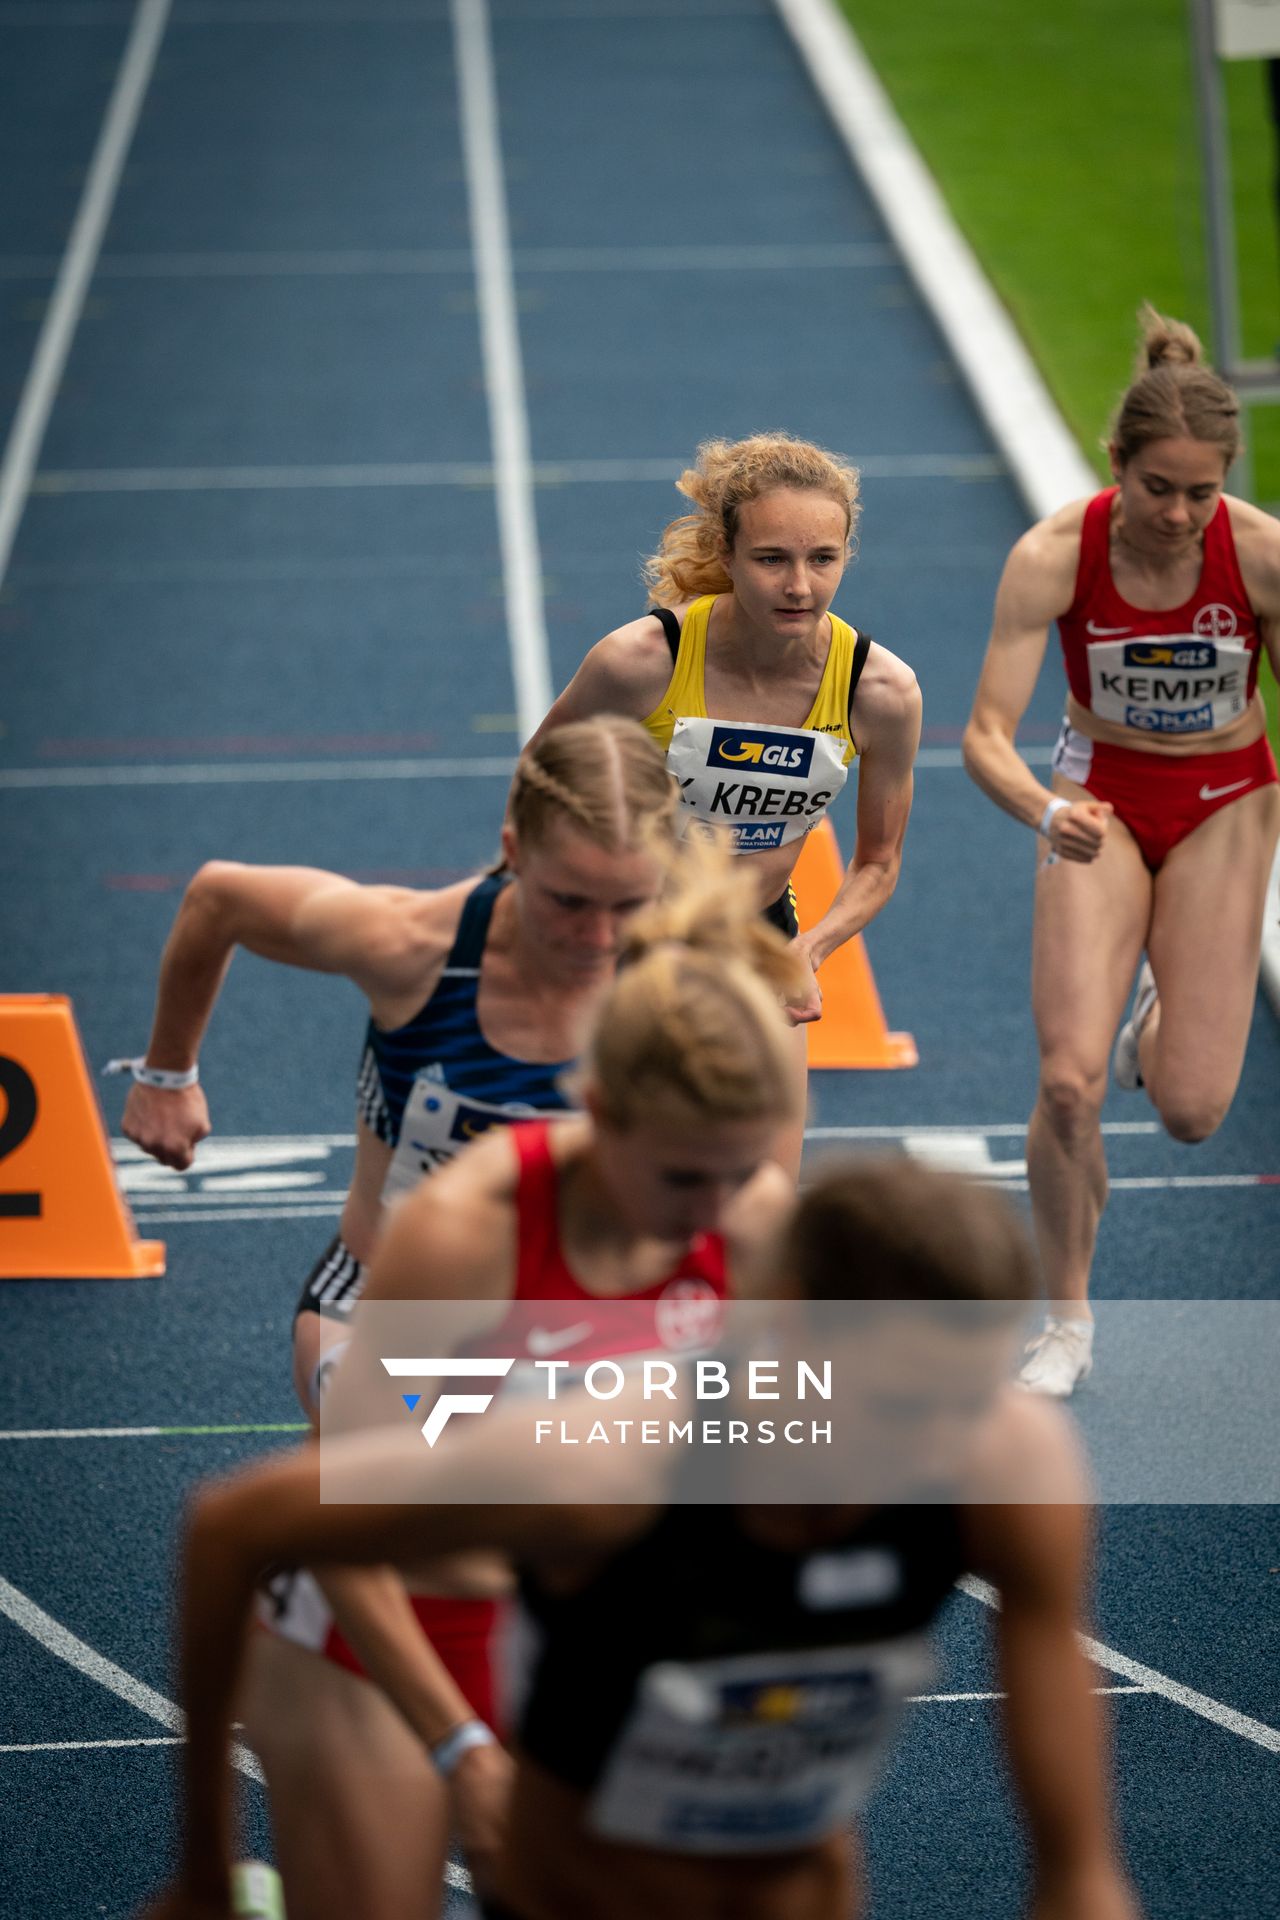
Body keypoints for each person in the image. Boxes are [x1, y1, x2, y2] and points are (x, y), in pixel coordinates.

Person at [141, 1157, 1141, 1920]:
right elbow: (234, 1524)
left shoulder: (1002, 1459)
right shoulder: (605, 1459)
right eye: (892, 1404)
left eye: (961, 1401)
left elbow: (1074, 1841)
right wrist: (198, 1867)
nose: (928, 1444)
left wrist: (1081, 1884)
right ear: (787, 1333)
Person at [184, 854, 808, 1920]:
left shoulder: (748, 1234)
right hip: (387, 1628)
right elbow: (343, 1515)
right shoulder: (466, 1237)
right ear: (599, 1113)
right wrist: (462, 1746)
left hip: (581, 1632)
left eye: (737, 1171)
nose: (712, 1208)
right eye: (680, 1179)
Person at [114, 715, 676, 1417]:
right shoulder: (410, 947)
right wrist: (167, 1074)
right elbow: (218, 898)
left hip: (575, 1317)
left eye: (629, 904)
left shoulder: (685, 989)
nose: (597, 937)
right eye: (568, 901)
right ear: (515, 852)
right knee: (427, 1486)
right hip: (386, 1312)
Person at [963, 307, 1280, 1396]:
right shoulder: (1055, 554)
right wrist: (1039, 813)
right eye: (1157, 490)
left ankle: (1159, 1013)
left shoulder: (1259, 559)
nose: (1179, 515)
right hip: (1093, 798)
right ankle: (1065, 1325)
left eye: (1201, 492)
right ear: (1115, 468)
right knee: (1064, 1083)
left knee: (1190, 1111)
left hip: (1224, 802)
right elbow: (983, 738)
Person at [525, 432, 923, 1173]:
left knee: (764, 1205)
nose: (799, 585)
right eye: (772, 559)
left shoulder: (881, 692)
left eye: (822, 559)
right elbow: (536, 784)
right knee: (629, 1192)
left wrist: (807, 950)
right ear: (728, 554)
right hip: (626, 939)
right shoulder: (640, 662)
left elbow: (878, 862)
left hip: (757, 941)